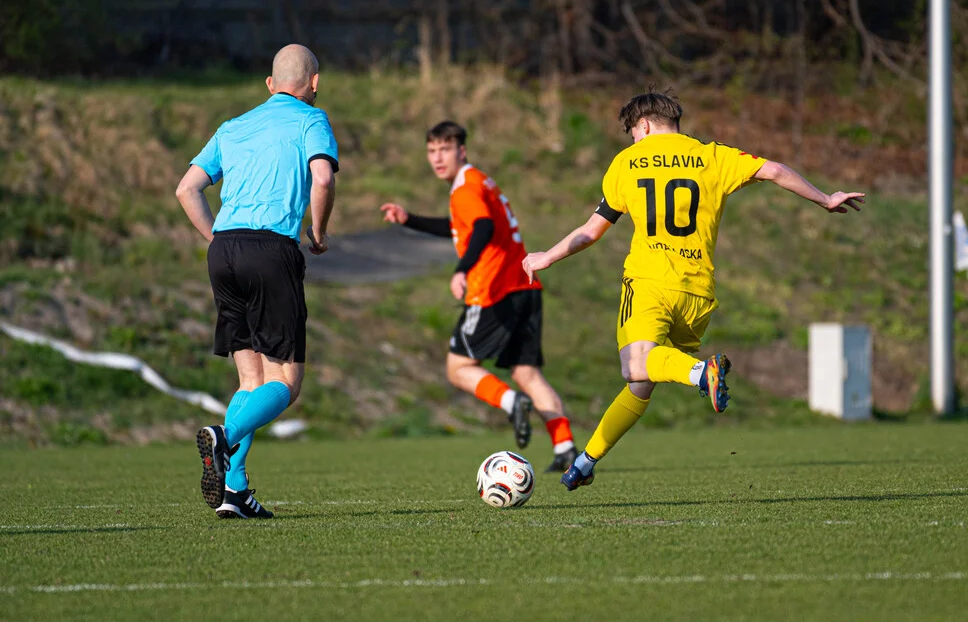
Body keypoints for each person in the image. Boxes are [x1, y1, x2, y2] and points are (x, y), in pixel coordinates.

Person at [522, 90, 865, 490]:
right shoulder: (713, 156)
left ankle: (702, 372)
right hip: (698, 294)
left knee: (635, 365)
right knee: (642, 382)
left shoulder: (626, 162)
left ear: (644, 126)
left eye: (633, 133)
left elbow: (590, 232)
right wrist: (825, 198)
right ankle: (585, 461)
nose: (633, 141)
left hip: (650, 282)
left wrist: (547, 256)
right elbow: (772, 170)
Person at [175, 44, 338, 519]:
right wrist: (319, 233)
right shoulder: (312, 120)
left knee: (250, 378)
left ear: (269, 85)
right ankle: (223, 438)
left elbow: (186, 188)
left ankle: (235, 491)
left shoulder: (233, 126)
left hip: (223, 250)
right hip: (270, 250)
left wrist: (218, 238)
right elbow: (323, 180)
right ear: (315, 82)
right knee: (286, 380)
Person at [380, 121, 579, 473]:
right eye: (431, 150)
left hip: (493, 290)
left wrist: (461, 269)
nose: (437, 157)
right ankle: (565, 446)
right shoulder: (479, 181)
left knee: (458, 368)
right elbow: (462, 226)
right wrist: (409, 219)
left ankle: (510, 402)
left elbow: (483, 227)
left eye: (445, 149)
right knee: (527, 372)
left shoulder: (465, 188)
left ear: (462, 150)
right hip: (525, 285)